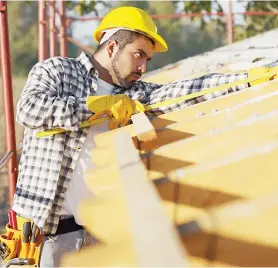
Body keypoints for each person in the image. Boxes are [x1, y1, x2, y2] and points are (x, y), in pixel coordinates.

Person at [12, 6, 248, 267]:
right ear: (112, 47)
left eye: (147, 59)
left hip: (100, 234)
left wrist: (249, 79)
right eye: (139, 55)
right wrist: (94, 107)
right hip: (45, 235)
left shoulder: (134, 95)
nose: (143, 67)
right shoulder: (57, 71)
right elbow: (29, 110)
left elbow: (186, 90)